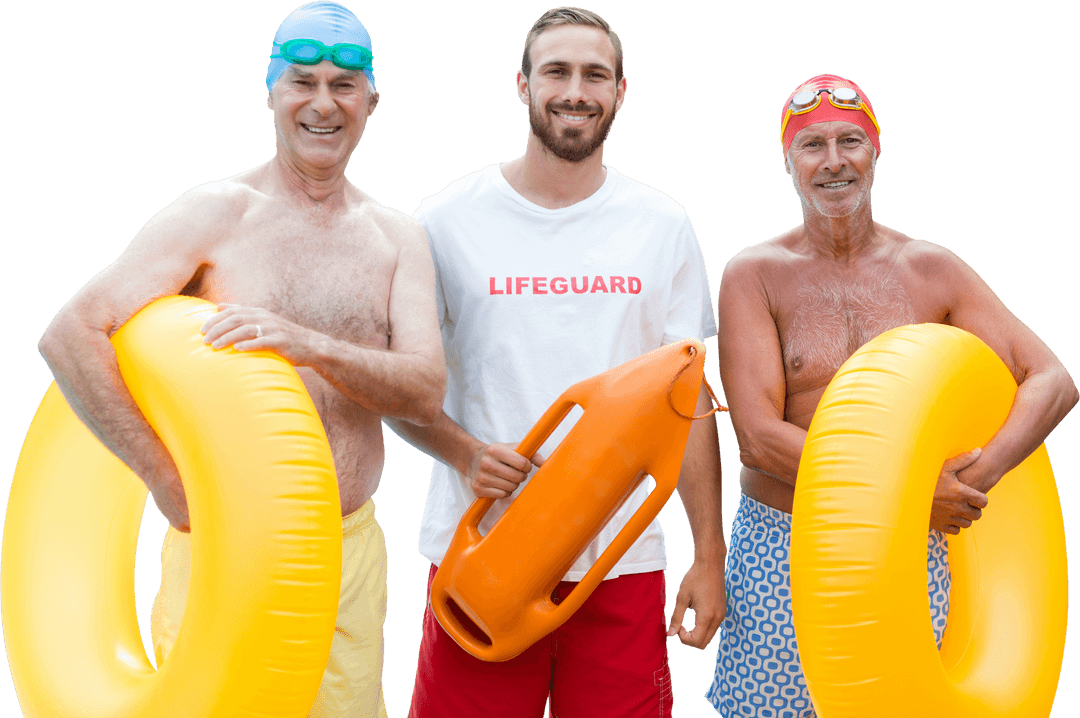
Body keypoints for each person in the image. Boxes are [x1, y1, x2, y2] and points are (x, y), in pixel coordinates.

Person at [36, 3, 445, 716]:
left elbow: (423, 389)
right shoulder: (215, 213)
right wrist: (161, 477)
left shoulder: (397, 238)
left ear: (371, 101)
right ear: (271, 91)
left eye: (344, 87)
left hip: (350, 553)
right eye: (303, 82)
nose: (323, 103)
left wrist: (307, 344)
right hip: (226, 549)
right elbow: (72, 334)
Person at [386, 7, 725, 717]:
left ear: (621, 91)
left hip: (619, 564)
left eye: (595, 74)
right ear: (522, 84)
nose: (576, 90)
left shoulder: (661, 223)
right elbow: (398, 383)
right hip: (480, 559)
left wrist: (708, 552)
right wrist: (465, 452)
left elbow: (688, 403)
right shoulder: (444, 219)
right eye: (557, 72)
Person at [705, 73, 1079, 717]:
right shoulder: (754, 275)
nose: (833, 161)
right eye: (811, 145)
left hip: (908, 548)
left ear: (876, 150)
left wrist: (970, 483)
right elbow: (760, 438)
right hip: (782, 549)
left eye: (850, 141)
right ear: (787, 161)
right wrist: (909, 491)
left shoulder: (932, 269)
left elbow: (1051, 381)